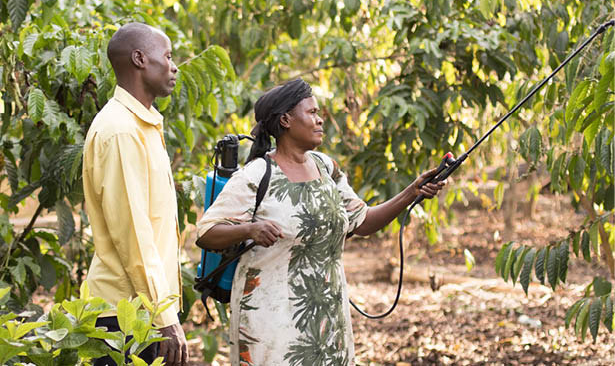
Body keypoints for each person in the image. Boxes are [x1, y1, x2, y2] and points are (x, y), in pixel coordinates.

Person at [196, 78, 445, 365]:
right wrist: (251, 229)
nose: (320, 120)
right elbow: (207, 233)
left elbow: (361, 221)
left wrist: (410, 192)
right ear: (286, 120)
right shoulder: (256, 175)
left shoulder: (326, 167)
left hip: (328, 317)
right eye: (312, 113)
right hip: (271, 319)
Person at [82, 22, 188, 366]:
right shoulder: (121, 131)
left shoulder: (142, 125)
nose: (174, 66)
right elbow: (134, 234)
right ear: (140, 59)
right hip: (123, 316)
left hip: (141, 310)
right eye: (168, 56)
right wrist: (165, 315)